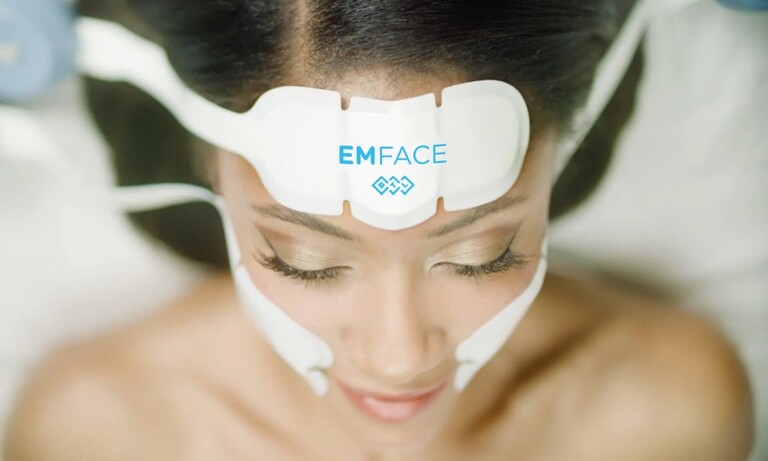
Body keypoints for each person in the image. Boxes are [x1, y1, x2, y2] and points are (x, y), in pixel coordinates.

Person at [1, 1, 755, 460]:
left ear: (563, 155)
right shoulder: (93, 434)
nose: (399, 358)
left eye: (483, 253)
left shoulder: (669, 414)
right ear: (209, 172)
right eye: (303, 260)